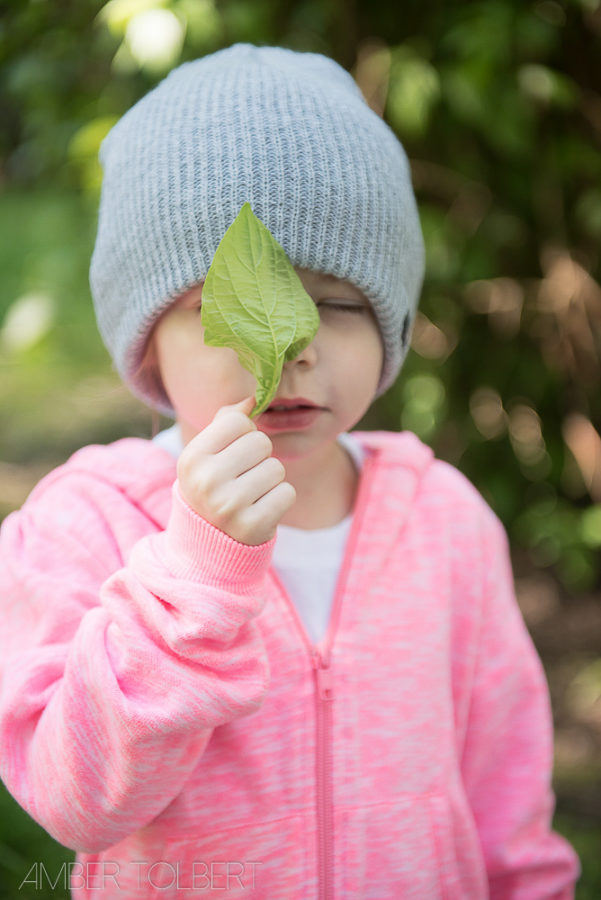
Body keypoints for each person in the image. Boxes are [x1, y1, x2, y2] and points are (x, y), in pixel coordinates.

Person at [0, 43, 580, 899]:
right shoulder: (90, 523)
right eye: (224, 306)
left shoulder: (444, 521)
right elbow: (75, 804)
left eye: (337, 304)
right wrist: (194, 579)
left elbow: (505, 793)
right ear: (147, 342)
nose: (294, 346)